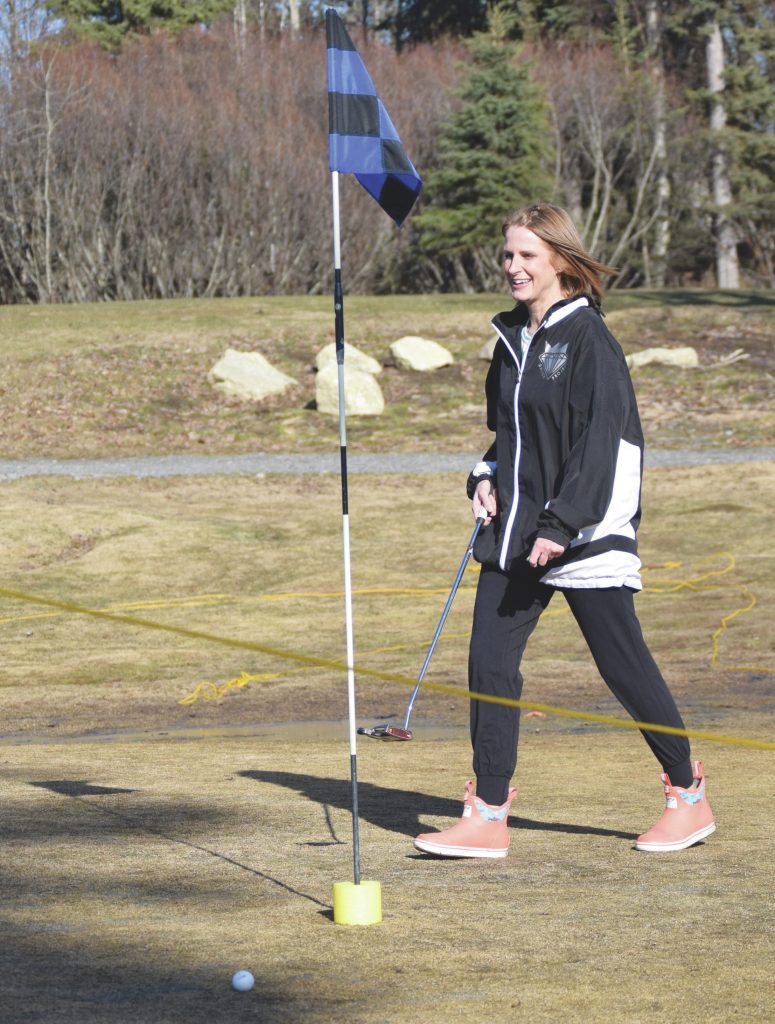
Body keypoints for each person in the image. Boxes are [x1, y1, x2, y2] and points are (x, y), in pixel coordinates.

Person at [414, 202, 715, 859]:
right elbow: (511, 434)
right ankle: (488, 813)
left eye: (525, 255)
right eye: (507, 255)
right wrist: (485, 475)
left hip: (582, 531)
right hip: (517, 533)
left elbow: (599, 445)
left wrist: (562, 521)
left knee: (622, 665)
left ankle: (688, 796)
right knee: (488, 666)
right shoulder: (512, 339)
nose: (513, 267)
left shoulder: (588, 340)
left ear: (558, 258)